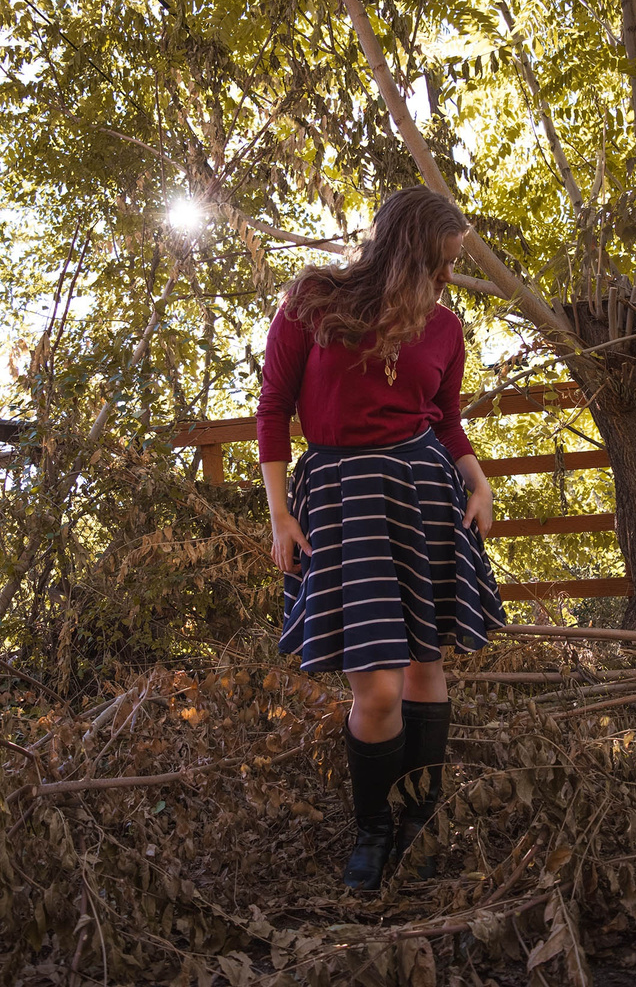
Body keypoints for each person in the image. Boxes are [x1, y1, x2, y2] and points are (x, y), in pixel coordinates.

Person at [256, 186, 505, 890]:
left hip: (424, 491)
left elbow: (447, 419)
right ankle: (372, 829)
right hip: (340, 498)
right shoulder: (314, 302)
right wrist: (280, 515)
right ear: (408, 248)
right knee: (378, 692)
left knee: (426, 670)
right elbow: (273, 410)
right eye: (442, 258)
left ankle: (421, 821)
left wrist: (479, 482)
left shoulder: (446, 327)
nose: (449, 274)